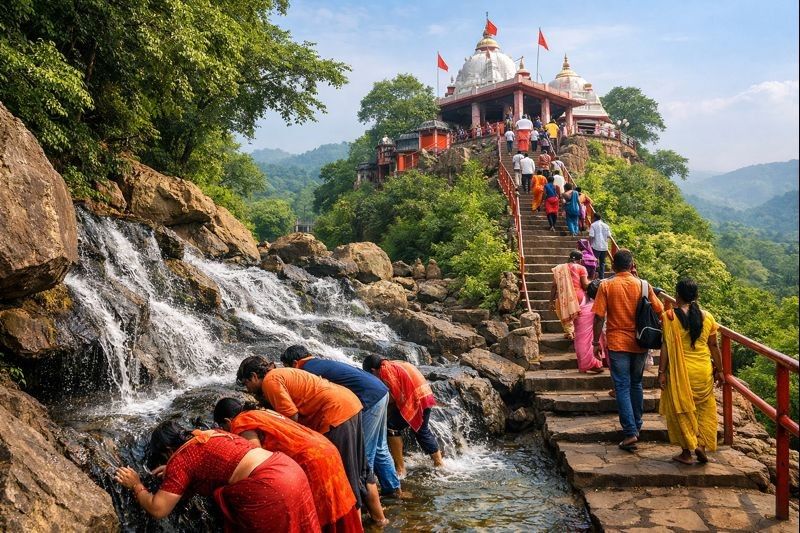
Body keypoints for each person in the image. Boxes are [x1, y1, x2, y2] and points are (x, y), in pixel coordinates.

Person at [236, 356, 385, 523]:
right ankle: (380, 519)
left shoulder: (270, 381)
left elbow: (291, 416)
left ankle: (356, 527)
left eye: (246, 383)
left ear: (254, 376)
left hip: (334, 415)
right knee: (362, 469)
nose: (248, 389)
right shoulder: (283, 372)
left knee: (347, 477)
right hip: (349, 404)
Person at [114, 421, 320, 532]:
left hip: (270, 487)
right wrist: (174, 467)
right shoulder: (211, 433)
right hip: (288, 469)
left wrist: (136, 485)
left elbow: (158, 509)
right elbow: (205, 460)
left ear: (168, 450)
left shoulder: (182, 460)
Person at [213, 399, 364, 532]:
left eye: (223, 427)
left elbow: (256, 459)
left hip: (310, 461)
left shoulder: (240, 422)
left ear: (227, 421)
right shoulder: (262, 411)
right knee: (341, 505)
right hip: (325, 448)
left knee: (327, 515)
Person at [280, 345, 404, 499]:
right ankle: (392, 489)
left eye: (287, 367)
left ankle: (365, 496)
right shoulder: (320, 363)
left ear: (294, 363)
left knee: (363, 451)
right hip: (380, 391)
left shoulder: (305, 371)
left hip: (369, 398)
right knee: (380, 446)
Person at [592, 249, 664, 451]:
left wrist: (596, 343)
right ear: (632, 265)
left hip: (616, 342)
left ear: (613, 266)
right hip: (640, 342)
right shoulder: (643, 284)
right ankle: (637, 426)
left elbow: (598, 317)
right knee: (636, 384)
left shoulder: (606, 285)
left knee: (622, 386)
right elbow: (660, 310)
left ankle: (630, 432)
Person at [658, 279, 724, 465]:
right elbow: (714, 346)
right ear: (696, 296)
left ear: (677, 296)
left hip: (681, 372)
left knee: (681, 410)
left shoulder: (669, 317)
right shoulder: (708, 317)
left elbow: (665, 347)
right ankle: (701, 445)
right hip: (703, 370)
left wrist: (661, 372)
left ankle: (687, 451)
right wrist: (720, 371)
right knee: (704, 409)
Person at [361, 355, 442, 475]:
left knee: (392, 427)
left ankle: (400, 468)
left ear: (373, 370)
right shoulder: (390, 363)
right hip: (425, 394)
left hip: (417, 399)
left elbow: (393, 399)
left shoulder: (386, 373)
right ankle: (439, 463)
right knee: (421, 430)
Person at [549, 251, 590, 340]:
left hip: (562, 297)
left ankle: (570, 332)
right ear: (580, 260)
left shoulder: (559, 268)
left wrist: (551, 301)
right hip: (578, 297)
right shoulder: (581, 268)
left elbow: (554, 286)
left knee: (565, 314)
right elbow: (585, 285)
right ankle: (576, 333)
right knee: (578, 316)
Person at [574, 279, 606, 373]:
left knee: (583, 341)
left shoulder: (581, 295)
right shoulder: (596, 305)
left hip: (580, 318)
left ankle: (592, 363)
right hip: (586, 318)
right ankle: (593, 363)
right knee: (588, 340)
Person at [589, 213, 611, 279]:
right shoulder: (606, 226)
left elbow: (591, 236)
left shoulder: (593, 225)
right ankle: (601, 277)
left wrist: (589, 244)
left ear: (595, 218)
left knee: (593, 262)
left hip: (595, 246)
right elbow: (609, 236)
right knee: (602, 263)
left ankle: (592, 276)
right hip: (604, 247)